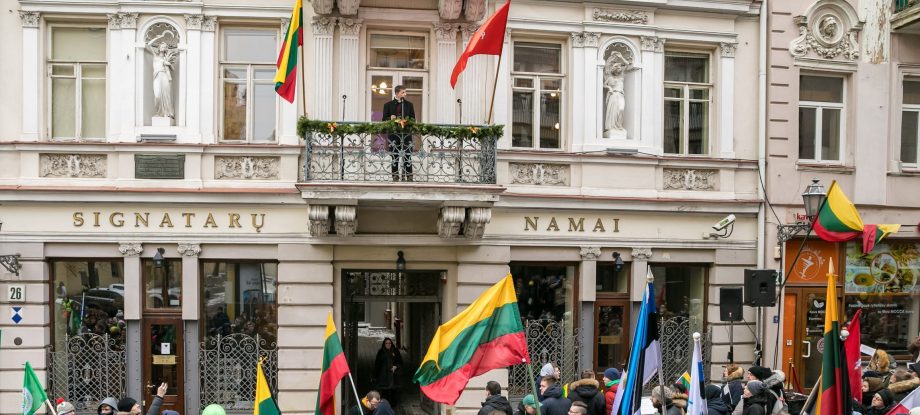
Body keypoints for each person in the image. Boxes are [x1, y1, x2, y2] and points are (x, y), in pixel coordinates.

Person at [381, 85, 416, 182]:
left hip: (406, 134)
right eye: (403, 92)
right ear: (397, 93)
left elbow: (413, 119)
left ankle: (409, 176)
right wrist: (390, 118)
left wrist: (407, 121)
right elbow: (384, 119)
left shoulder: (409, 105)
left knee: (407, 155)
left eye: (405, 92)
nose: (405, 94)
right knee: (394, 155)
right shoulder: (388, 105)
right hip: (393, 134)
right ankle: (395, 176)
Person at [145, 32, 177, 119]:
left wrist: (168, 64)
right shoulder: (155, 56)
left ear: (166, 48)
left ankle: (167, 113)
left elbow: (173, 69)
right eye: (162, 46)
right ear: (159, 48)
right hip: (157, 76)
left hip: (165, 76)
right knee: (157, 95)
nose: (163, 47)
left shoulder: (166, 58)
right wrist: (157, 37)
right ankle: (159, 113)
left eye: (164, 46)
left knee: (166, 95)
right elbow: (149, 45)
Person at [374, 337, 403, 408]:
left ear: (391, 344)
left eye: (389, 343)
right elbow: (377, 364)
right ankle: (385, 406)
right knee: (384, 392)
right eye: (386, 343)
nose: (388, 344)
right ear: (384, 344)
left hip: (394, 375)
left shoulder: (395, 351)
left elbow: (400, 362)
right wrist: (375, 375)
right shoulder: (381, 352)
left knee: (394, 391)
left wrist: (396, 366)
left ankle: (393, 406)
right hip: (384, 376)